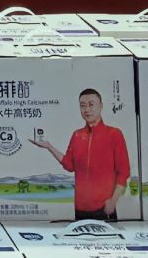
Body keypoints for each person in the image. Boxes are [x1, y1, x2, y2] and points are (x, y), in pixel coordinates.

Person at [30, 86, 131, 222]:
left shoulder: (114, 134)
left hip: (105, 207)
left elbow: (124, 172)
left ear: (101, 106)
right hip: (80, 208)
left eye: (91, 104)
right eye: (83, 105)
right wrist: (49, 146)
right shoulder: (77, 135)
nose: (87, 110)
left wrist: (113, 201)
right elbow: (69, 165)